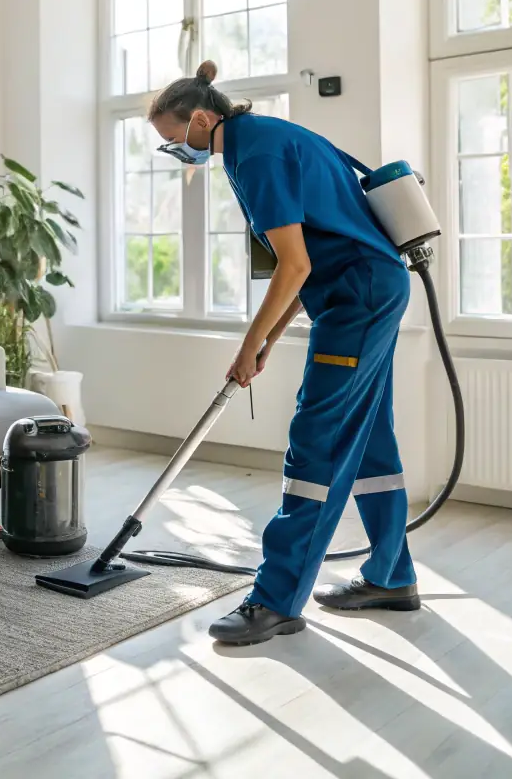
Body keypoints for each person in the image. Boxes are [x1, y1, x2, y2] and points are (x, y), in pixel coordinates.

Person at [148, 60, 419, 646]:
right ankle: (392, 576)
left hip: (357, 299)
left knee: (315, 442)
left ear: (199, 119)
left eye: (174, 140)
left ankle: (275, 600)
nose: (177, 152)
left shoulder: (256, 157)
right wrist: (268, 340)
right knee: (371, 438)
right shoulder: (267, 137)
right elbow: (311, 260)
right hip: (366, 290)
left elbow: (294, 264)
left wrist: (247, 347)